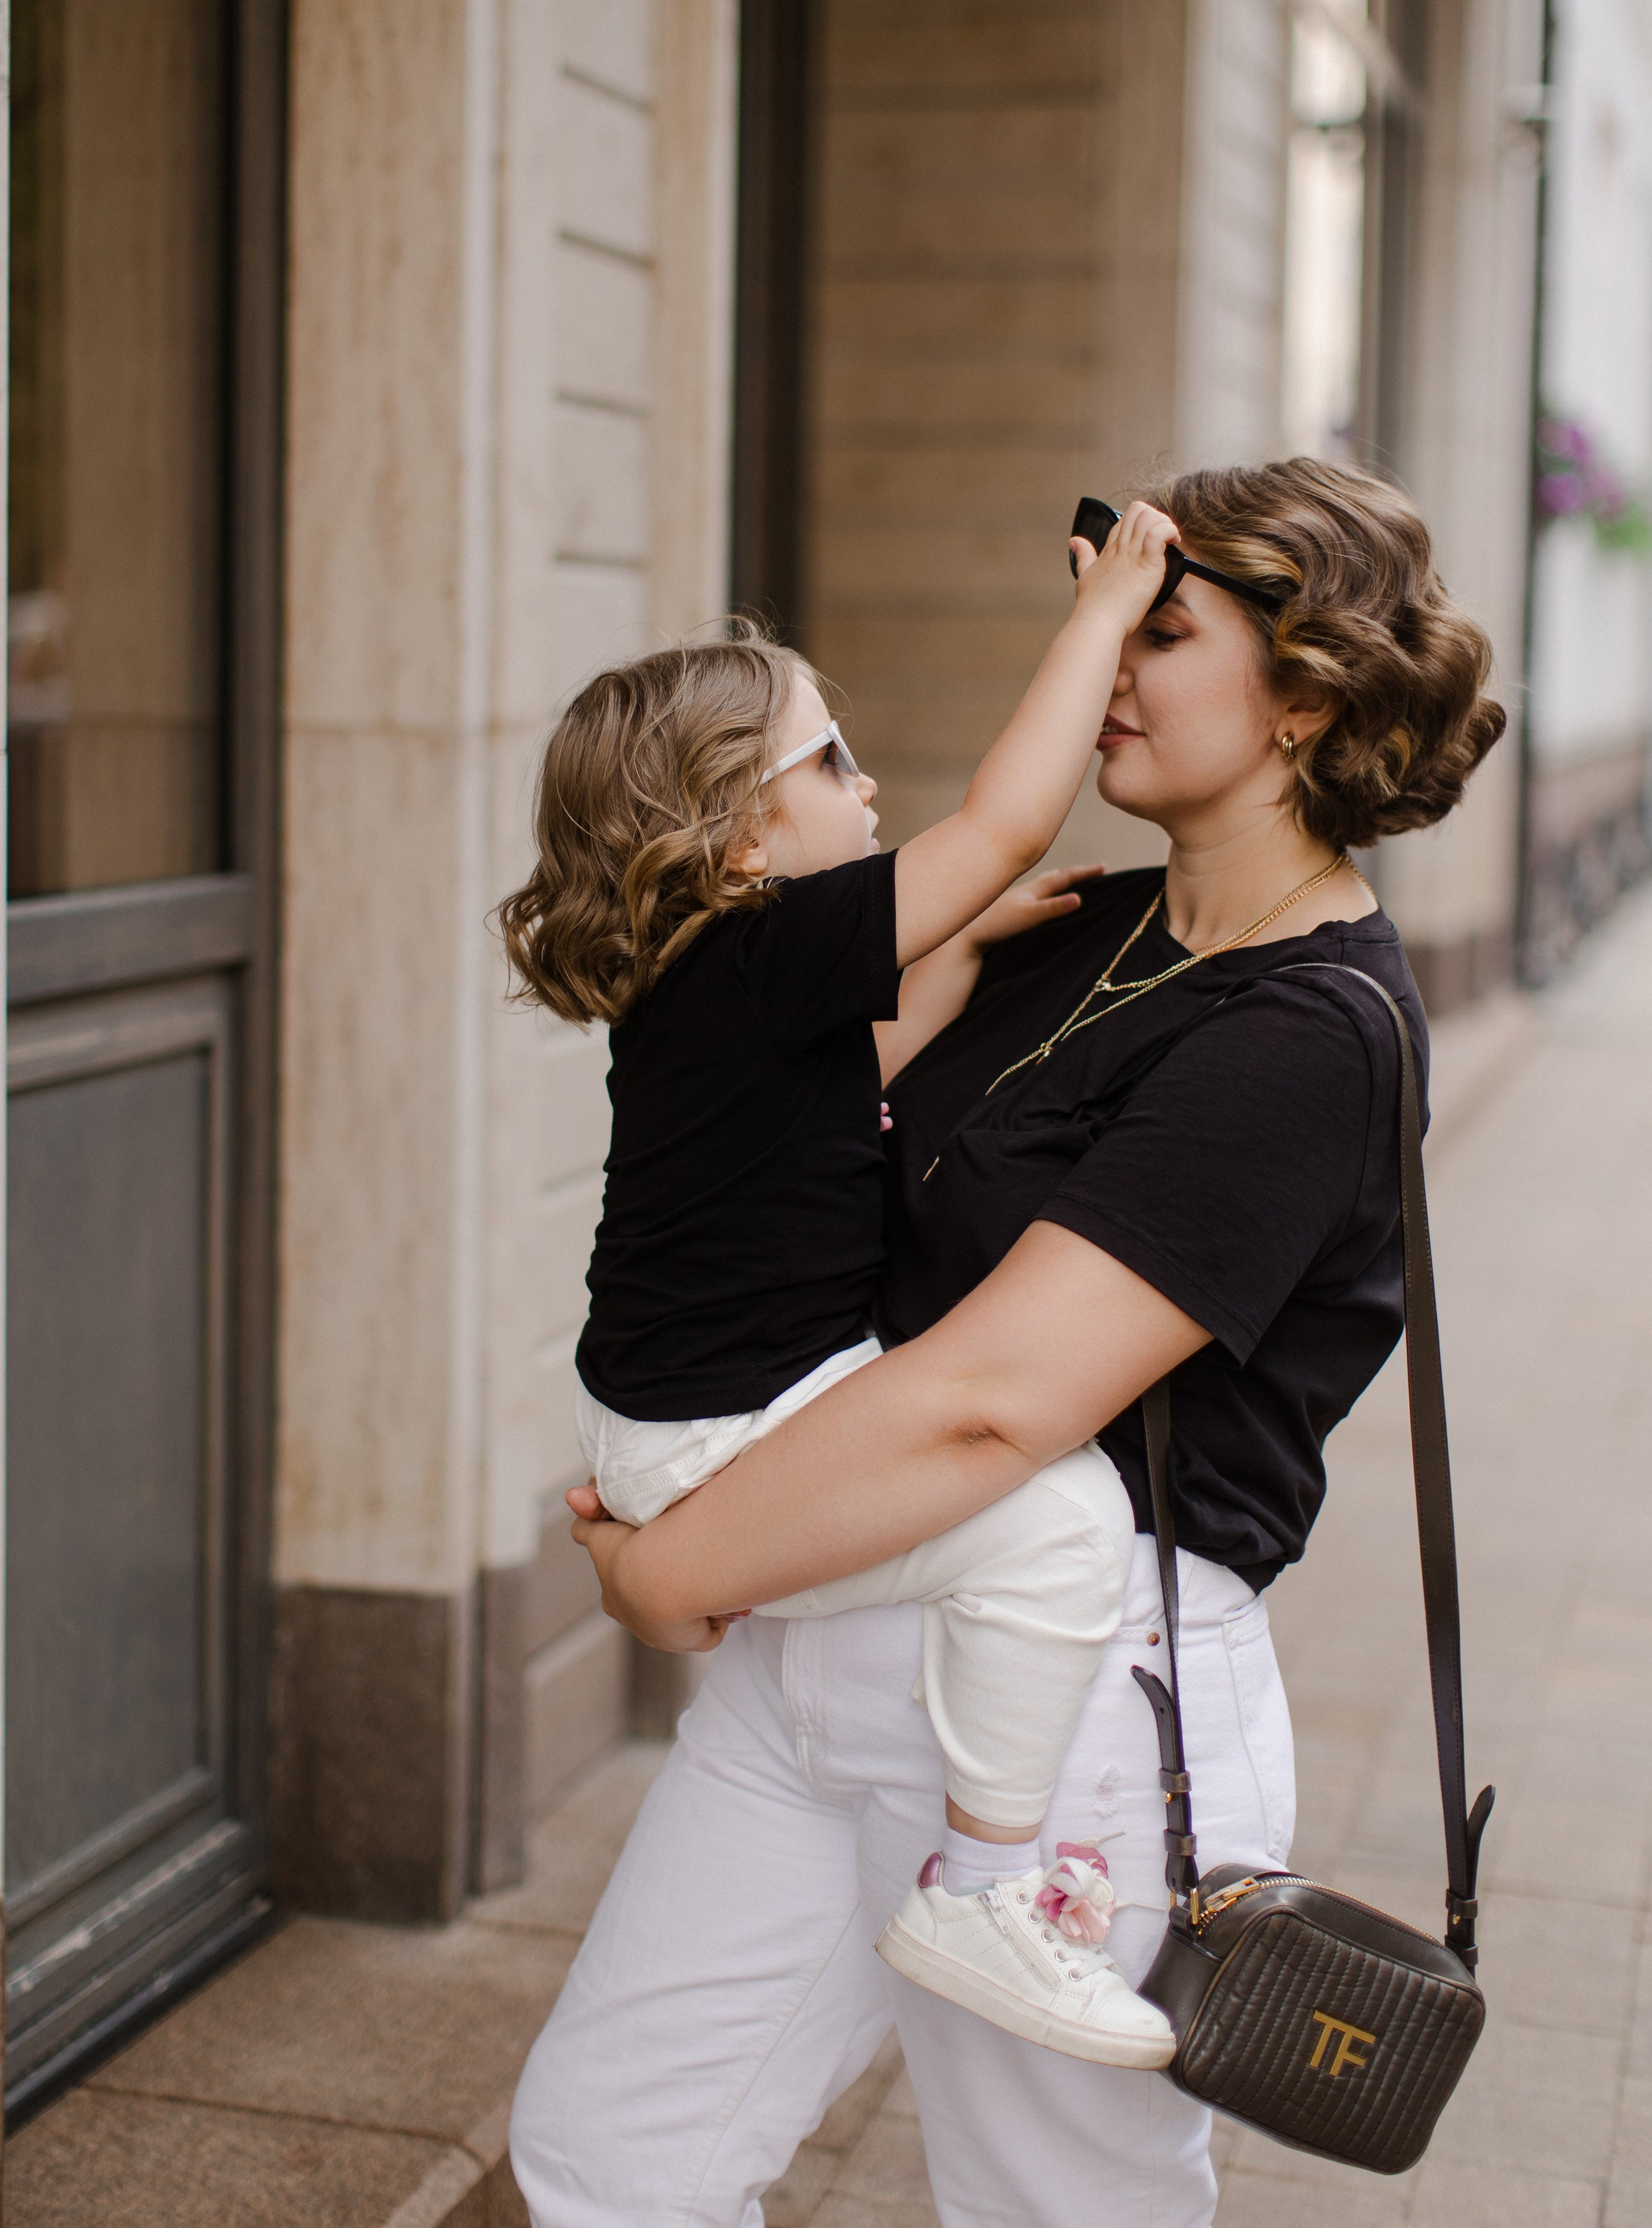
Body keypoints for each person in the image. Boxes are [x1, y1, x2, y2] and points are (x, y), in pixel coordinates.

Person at [509, 457, 1507, 2228]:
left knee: (1061, 2215)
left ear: (1308, 699)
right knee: (614, 2160)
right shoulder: (1086, 936)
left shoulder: (1316, 1033)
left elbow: (993, 1407)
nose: (1102, 661)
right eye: (1091, 622)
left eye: (1158, 628)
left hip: (1072, 1708)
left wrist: (674, 1569)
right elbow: (793, 1181)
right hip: (817, 1653)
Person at [498, 499, 1194, 2065]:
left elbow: (863, 1058)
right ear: (740, 839)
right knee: (1067, 1523)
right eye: (827, 763)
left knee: (1006, 1510)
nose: (863, 782)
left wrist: (959, 937)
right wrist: (1104, 618)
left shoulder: (723, 986)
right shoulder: (770, 949)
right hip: (720, 1433)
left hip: (679, 1416)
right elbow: (1004, 820)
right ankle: (985, 1883)